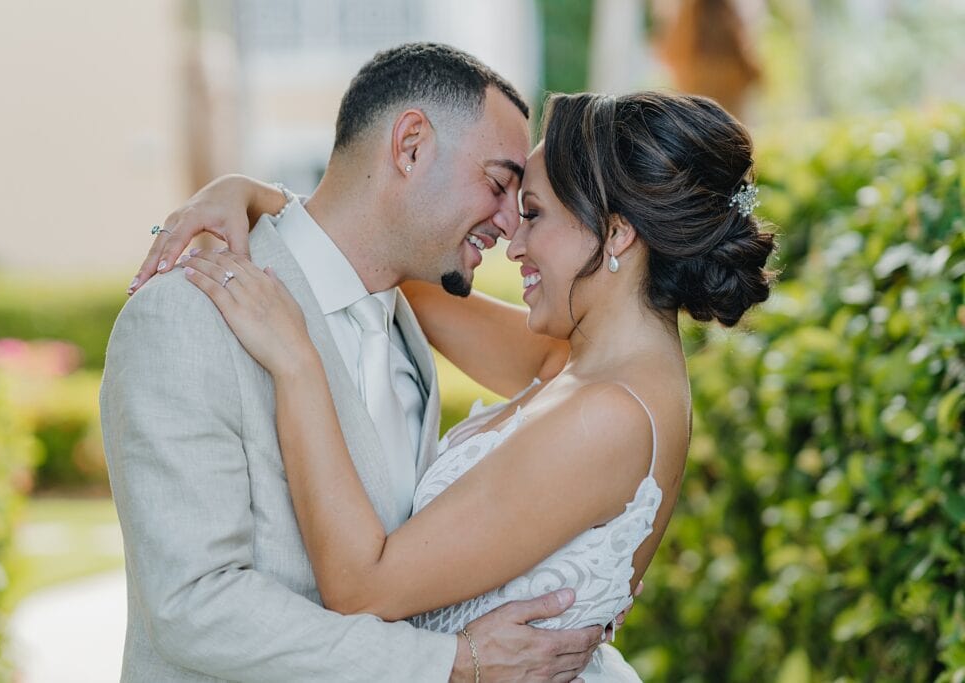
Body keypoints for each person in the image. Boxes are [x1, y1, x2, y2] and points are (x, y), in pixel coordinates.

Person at [136, 90, 776, 681]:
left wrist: (298, 364)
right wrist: (249, 194)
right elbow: (389, 260)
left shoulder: (608, 414)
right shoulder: (580, 363)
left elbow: (364, 586)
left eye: (533, 214)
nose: (513, 243)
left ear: (616, 232)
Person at [102, 43, 613, 683]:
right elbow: (194, 605)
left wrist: (267, 196)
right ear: (410, 147)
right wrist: (454, 663)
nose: (512, 225)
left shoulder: (408, 321)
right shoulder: (185, 316)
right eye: (498, 182)